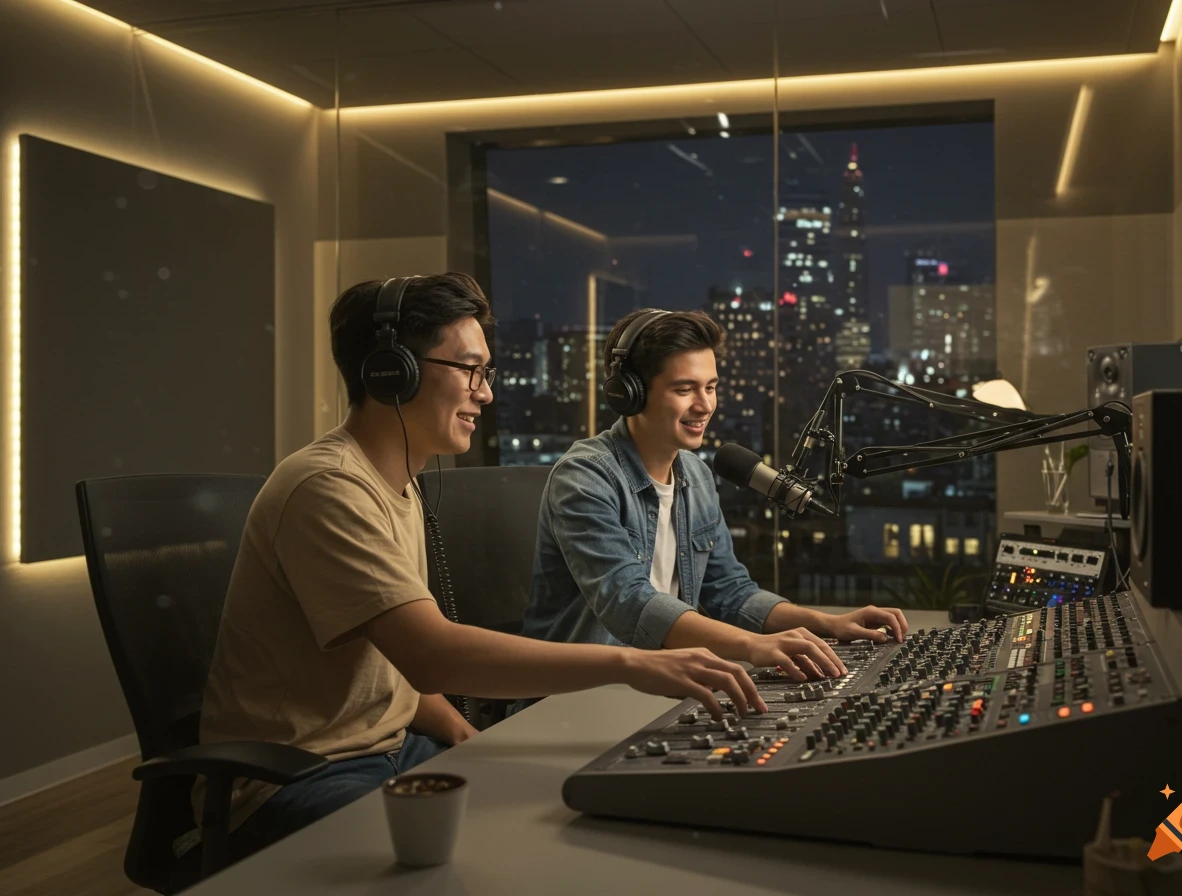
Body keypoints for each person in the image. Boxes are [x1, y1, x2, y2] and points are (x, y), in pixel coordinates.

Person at [185, 277, 763, 877]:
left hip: (391, 749)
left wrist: (465, 736)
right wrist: (633, 663)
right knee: (495, 864)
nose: (484, 395)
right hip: (295, 777)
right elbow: (432, 654)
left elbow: (394, 667)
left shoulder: (398, 486)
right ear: (393, 372)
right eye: (468, 370)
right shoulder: (328, 489)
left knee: (564, 816)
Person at [521, 308, 909, 682]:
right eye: (684, 389)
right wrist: (752, 646)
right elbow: (629, 603)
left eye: (710, 387)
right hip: (576, 697)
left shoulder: (697, 475)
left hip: (662, 687)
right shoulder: (584, 477)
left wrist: (828, 624)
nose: (705, 405)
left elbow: (731, 594)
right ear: (630, 393)